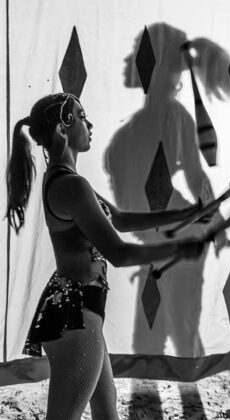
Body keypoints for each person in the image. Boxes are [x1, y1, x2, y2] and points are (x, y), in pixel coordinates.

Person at [6, 93, 208, 419]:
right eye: (81, 116)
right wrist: (179, 248)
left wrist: (183, 215)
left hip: (79, 312)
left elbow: (121, 219)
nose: (90, 124)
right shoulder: (70, 186)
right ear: (62, 127)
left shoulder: (70, 181)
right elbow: (119, 252)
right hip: (75, 314)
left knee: (106, 411)